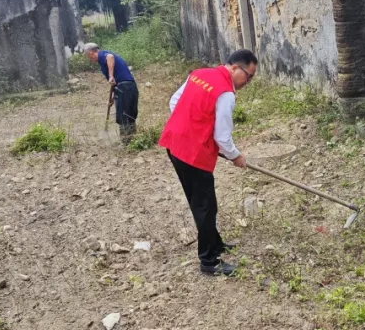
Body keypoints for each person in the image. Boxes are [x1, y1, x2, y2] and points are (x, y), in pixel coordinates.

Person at [159, 49, 257, 277]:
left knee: (204, 202)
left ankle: (215, 243)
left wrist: (190, 125)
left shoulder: (199, 74)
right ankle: (209, 260)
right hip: (192, 153)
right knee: (204, 206)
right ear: (235, 67)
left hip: (174, 144)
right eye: (248, 76)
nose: (248, 82)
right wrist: (236, 156)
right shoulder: (226, 93)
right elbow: (222, 136)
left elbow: (174, 102)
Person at [83, 43, 138, 140]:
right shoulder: (103, 62)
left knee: (123, 115)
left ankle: (126, 140)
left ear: (91, 53)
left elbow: (110, 57)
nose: (90, 60)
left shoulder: (103, 55)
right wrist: (113, 96)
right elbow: (113, 83)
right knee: (129, 114)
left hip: (124, 87)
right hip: (129, 87)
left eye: (88, 56)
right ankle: (133, 139)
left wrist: (111, 75)